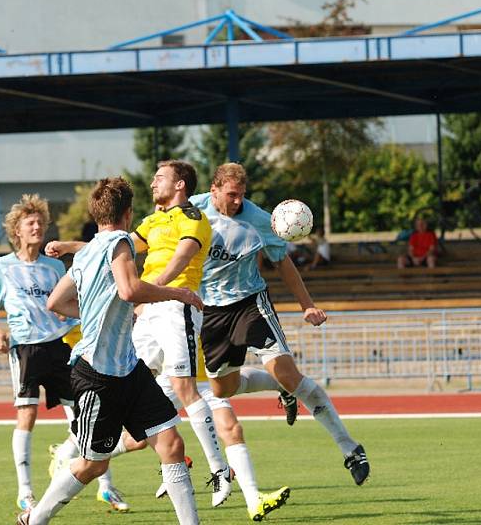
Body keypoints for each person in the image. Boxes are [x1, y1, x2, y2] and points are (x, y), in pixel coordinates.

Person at [47, 160, 234, 507]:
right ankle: (79, 451)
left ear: (180, 185)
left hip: (176, 306)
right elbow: (108, 244)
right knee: (128, 382)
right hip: (149, 308)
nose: (152, 183)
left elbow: (180, 259)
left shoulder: (192, 218)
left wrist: (157, 291)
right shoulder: (151, 221)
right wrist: (70, 246)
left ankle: (220, 470)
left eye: (160, 177)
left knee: (184, 388)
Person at [28, 177, 202, 525]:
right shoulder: (121, 240)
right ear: (128, 213)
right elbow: (129, 290)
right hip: (97, 375)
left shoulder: (87, 252)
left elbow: (56, 302)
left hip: (129, 368)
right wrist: (178, 293)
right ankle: (35, 518)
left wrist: (92, 310)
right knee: (94, 464)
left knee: (171, 445)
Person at [190, 163, 370, 486]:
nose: (236, 202)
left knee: (290, 374)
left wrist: (308, 305)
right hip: (211, 313)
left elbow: (282, 264)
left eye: (241, 195)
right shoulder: (193, 210)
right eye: (231, 195)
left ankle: (351, 448)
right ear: (214, 189)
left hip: (250, 304)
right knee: (222, 390)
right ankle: (279, 388)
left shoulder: (260, 220)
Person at [0, 194, 127, 513]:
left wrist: (69, 313)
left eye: (40, 223)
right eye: (30, 223)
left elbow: (68, 297)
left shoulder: (54, 265)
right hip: (25, 348)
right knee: (27, 415)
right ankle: (26, 492)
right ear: (16, 230)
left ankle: (106, 486)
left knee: (84, 413)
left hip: (58, 346)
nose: (37, 227)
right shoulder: (1, 267)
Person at [153, 348, 291, 521]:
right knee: (136, 439)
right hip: (173, 378)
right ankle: (108, 480)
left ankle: (254, 499)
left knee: (232, 429)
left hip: (205, 379)